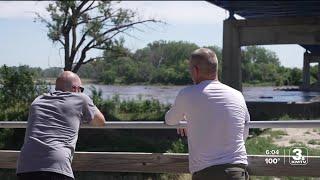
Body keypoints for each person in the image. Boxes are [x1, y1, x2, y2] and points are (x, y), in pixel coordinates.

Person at [165, 48, 250, 180]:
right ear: (216, 69)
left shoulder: (187, 94)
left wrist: (183, 117)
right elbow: (244, 132)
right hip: (237, 171)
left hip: (206, 173)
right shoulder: (237, 95)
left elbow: (169, 120)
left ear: (195, 70)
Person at [16, 71, 106, 180]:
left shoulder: (38, 100)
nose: (81, 92)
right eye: (81, 89)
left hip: (25, 164)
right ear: (75, 88)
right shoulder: (81, 98)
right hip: (56, 164)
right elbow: (101, 122)